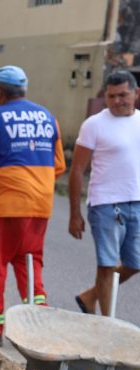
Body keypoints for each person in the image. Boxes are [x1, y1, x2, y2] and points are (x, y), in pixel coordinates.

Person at [0, 65, 66, 346]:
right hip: (40, 206)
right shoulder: (48, 117)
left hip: (6, 205)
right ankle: (38, 329)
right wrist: (36, 183)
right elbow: (59, 165)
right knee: (29, 263)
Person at [69, 71, 140, 316]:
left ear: (136, 93)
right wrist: (75, 214)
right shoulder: (94, 124)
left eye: (123, 95)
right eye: (111, 96)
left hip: (136, 203)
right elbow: (77, 170)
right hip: (106, 205)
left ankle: (90, 297)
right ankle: (106, 323)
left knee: (135, 263)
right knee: (107, 266)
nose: (117, 101)